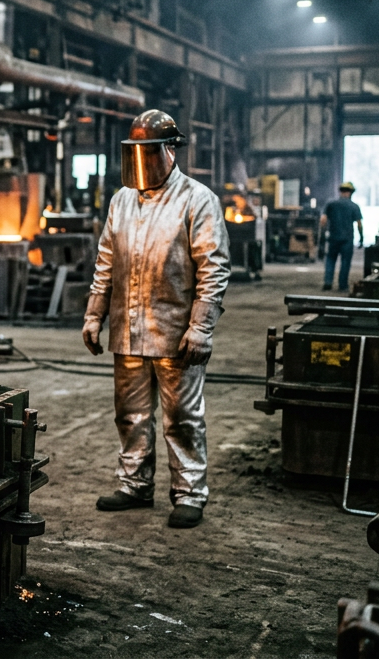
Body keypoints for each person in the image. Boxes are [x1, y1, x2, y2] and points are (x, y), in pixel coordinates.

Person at [82, 110, 231, 530]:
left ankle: (188, 494)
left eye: (149, 151)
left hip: (174, 333)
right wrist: (94, 316)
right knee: (129, 415)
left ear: (169, 150)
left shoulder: (197, 200)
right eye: (136, 153)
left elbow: (213, 268)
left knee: (181, 418)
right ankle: (134, 486)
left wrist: (200, 328)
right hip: (126, 329)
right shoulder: (121, 200)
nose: (142, 161)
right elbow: (106, 262)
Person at [320, 182, 364, 292]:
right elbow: (359, 224)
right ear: (351, 193)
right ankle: (342, 285)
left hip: (333, 238)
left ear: (340, 191)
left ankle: (328, 282)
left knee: (330, 259)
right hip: (347, 240)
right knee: (345, 262)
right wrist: (361, 237)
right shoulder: (354, 206)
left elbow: (323, 220)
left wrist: (322, 235)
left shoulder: (331, 204)